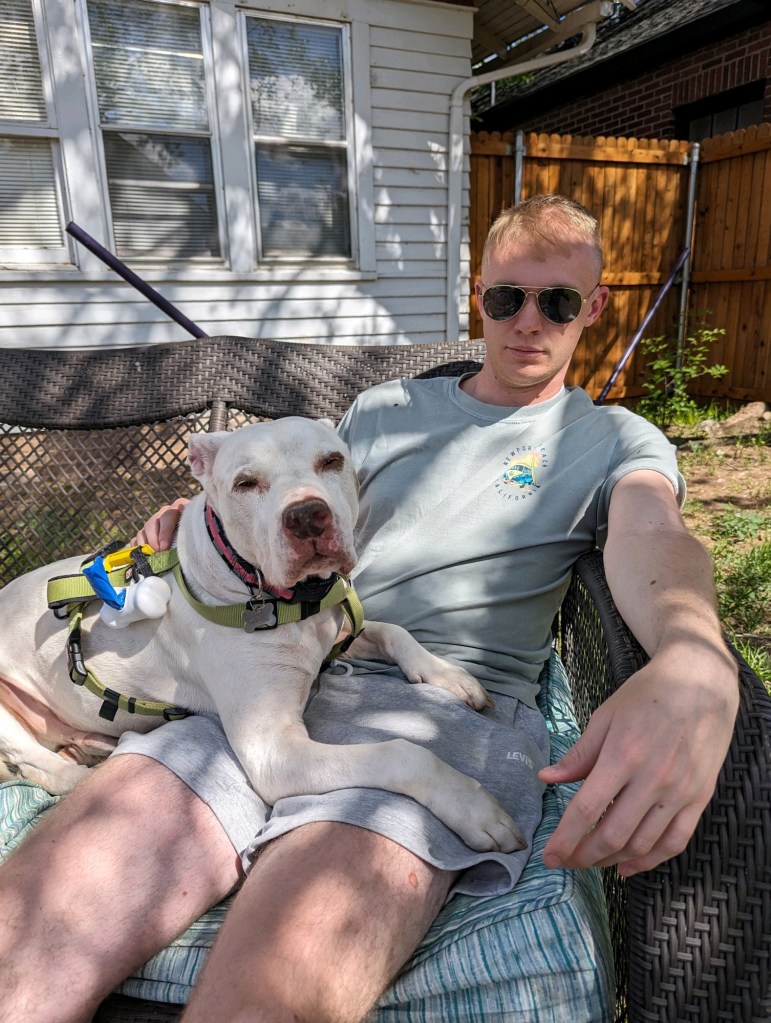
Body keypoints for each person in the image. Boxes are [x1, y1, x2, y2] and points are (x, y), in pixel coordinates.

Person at [0, 195, 738, 1023]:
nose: (527, 321)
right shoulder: (380, 411)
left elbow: (655, 536)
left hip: (436, 713)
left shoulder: (611, 438)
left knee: (267, 994)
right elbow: (290, 501)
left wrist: (692, 650)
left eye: (557, 302)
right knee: (32, 931)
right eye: (506, 297)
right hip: (269, 667)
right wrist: (202, 522)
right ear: (478, 297)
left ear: (594, 307)